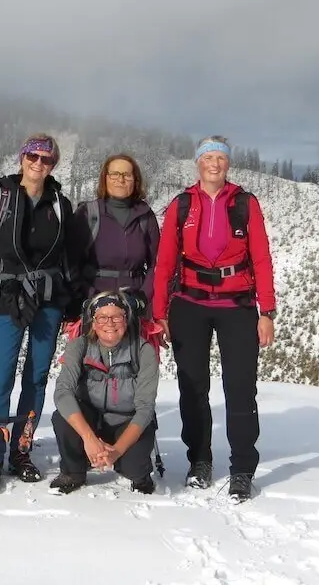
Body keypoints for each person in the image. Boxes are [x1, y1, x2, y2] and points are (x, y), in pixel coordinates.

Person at [151, 135, 276, 501]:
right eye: (208, 157)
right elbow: (164, 263)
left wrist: (266, 311)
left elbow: (262, 259)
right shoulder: (182, 204)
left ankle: (241, 469)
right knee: (193, 388)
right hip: (189, 302)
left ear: (228, 164)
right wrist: (160, 313)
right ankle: (200, 461)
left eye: (220, 158)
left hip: (237, 305)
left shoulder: (245, 203)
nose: (214, 163)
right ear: (198, 163)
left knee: (239, 389)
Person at [0, 132, 79, 495]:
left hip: (48, 302)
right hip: (5, 299)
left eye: (46, 160)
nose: (38, 164)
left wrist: (71, 303)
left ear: (53, 165)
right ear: (21, 159)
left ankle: (21, 450)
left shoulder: (60, 204)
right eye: (32, 157)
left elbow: (69, 258)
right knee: (0, 378)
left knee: (35, 378)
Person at [49, 290, 159, 495]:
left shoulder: (143, 351)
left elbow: (145, 409)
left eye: (117, 316)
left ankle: (137, 472)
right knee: (62, 417)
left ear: (126, 319)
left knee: (133, 468)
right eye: (102, 317)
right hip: (90, 420)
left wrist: (115, 452)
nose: (110, 323)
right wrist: (90, 439)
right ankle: (73, 472)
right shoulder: (79, 346)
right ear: (93, 321)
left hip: (126, 421)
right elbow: (63, 393)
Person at [70, 153, 161, 308]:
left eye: (127, 174)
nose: (121, 179)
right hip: (94, 302)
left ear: (135, 180)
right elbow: (71, 263)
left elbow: (156, 264)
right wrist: (90, 296)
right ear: (105, 178)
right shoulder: (88, 213)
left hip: (134, 302)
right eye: (114, 174)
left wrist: (142, 297)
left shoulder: (145, 215)